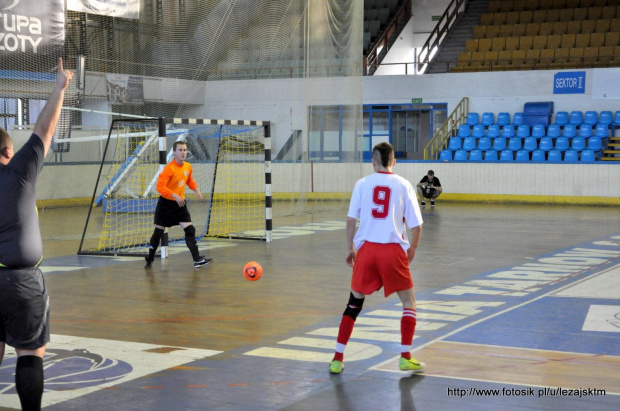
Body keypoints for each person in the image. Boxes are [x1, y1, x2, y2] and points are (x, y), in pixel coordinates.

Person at [0, 57, 73, 411]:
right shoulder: (19, 173)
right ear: (8, 151)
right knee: (30, 353)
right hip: (21, 282)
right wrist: (59, 87)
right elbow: (44, 129)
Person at [329, 142, 424, 374]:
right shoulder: (403, 184)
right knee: (409, 302)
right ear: (394, 162)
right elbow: (416, 225)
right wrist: (412, 249)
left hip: (367, 250)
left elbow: (351, 220)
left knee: (353, 304)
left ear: (373, 161)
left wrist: (350, 248)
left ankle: (337, 359)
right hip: (392, 250)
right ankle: (405, 356)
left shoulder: (362, 183)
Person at [145, 141, 212, 269]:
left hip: (180, 205)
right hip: (166, 205)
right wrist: (174, 195)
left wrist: (196, 190)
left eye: (185, 150)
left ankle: (197, 260)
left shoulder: (187, 166)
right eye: (180, 150)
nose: (183, 152)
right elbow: (160, 187)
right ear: (174, 152)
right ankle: (150, 259)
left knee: (190, 229)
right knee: (158, 232)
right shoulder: (169, 169)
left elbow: (189, 180)